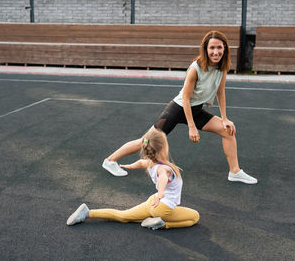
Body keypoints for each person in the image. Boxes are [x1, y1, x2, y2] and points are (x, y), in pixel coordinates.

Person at [102, 30, 257, 184]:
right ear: (205, 49)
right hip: (178, 109)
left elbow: (220, 91)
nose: (216, 52)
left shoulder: (222, 67)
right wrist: (192, 127)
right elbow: (185, 98)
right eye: (212, 48)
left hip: (195, 109)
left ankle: (235, 171)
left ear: (225, 49)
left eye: (219, 48)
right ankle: (110, 161)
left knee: (228, 131)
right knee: (146, 141)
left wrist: (224, 119)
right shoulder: (195, 69)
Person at [67, 129, 200, 230]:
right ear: (163, 148)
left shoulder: (151, 163)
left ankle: (88, 213)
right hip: (163, 208)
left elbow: (141, 162)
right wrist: (160, 194)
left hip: (152, 203)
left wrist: (130, 166)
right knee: (195, 217)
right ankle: (163, 224)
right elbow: (163, 179)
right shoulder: (164, 168)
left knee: (123, 216)